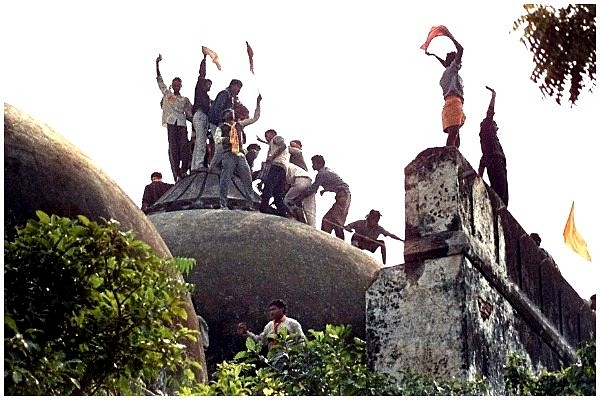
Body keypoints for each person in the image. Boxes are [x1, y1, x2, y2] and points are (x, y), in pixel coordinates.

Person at [292, 155, 351, 239]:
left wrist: (298, 199)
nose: (312, 165)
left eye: (314, 163)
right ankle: (323, 240)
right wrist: (325, 189)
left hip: (343, 195)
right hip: (341, 195)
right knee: (326, 221)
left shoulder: (321, 174)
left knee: (336, 221)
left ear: (319, 164)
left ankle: (342, 245)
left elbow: (313, 189)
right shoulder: (325, 171)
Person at [425, 27, 465, 148]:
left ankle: (454, 155)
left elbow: (445, 63)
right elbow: (461, 49)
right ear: (453, 62)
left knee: (455, 135)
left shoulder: (447, 73)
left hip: (450, 104)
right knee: (454, 134)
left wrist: (434, 55)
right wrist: (450, 36)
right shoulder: (452, 70)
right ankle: (449, 155)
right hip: (454, 103)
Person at [237, 299, 305, 370]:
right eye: (270, 310)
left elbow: (301, 341)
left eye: (273, 309)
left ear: (282, 309)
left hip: (289, 359)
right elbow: (261, 341)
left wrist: (298, 358)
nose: (271, 312)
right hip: (274, 361)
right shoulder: (269, 326)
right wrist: (246, 332)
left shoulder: (292, 323)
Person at [156, 54, 193, 182]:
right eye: (175, 84)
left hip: (182, 124)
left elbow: (190, 114)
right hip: (171, 123)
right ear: (172, 85)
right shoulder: (168, 95)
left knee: (184, 147)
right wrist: (157, 64)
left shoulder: (185, 99)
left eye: (178, 84)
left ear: (181, 86)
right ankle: (177, 173)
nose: (176, 86)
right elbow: (160, 81)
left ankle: (183, 171)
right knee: (173, 149)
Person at [216, 109, 255, 210]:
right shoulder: (221, 127)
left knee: (247, 178)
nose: (231, 113)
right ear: (224, 116)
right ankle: (223, 204)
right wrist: (228, 139)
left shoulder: (238, 125)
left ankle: (250, 204)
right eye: (228, 112)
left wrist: (258, 103)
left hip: (240, 154)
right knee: (225, 178)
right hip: (228, 154)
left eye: (232, 112)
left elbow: (255, 118)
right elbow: (217, 139)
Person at [477, 86, 508, 205]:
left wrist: (479, 176)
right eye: (495, 125)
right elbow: (490, 112)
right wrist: (493, 97)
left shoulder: (492, 140)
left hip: (499, 163)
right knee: (499, 191)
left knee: (503, 195)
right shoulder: (487, 130)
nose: (497, 127)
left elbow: (483, 159)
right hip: (495, 163)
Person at [190, 48, 213, 172]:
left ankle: (195, 165)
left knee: (199, 141)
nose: (208, 86)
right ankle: (198, 164)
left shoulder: (207, 97)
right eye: (207, 84)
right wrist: (204, 59)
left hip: (201, 116)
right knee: (201, 141)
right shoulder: (199, 91)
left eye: (210, 85)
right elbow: (202, 74)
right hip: (200, 115)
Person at [259, 129, 289, 217]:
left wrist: (272, 157)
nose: (266, 138)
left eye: (267, 135)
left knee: (268, 186)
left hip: (277, 165)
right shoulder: (272, 143)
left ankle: (264, 207)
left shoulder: (276, 138)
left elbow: (283, 146)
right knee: (277, 192)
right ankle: (282, 212)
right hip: (283, 168)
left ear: (272, 134)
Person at [284, 163, 317, 227]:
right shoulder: (290, 165)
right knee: (309, 208)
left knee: (287, 200)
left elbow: (284, 184)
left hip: (300, 180)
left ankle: (293, 217)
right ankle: (312, 226)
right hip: (309, 181)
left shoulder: (281, 165)